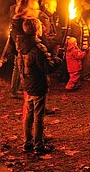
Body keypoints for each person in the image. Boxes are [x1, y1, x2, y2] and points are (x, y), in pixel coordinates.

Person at [18, 17, 61, 154]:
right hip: (37, 85)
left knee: (29, 114)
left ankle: (27, 143)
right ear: (37, 30)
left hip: (28, 84)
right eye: (41, 27)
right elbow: (47, 68)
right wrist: (57, 60)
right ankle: (39, 145)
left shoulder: (22, 45)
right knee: (38, 116)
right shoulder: (38, 48)